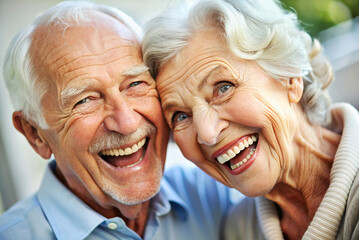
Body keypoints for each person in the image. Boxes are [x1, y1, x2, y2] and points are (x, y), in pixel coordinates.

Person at [0, 1, 238, 239]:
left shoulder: (219, 195)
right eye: (85, 100)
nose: (127, 123)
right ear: (35, 134)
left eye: (135, 84)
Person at [142, 0, 359, 239]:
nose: (206, 133)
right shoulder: (239, 228)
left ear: (289, 76)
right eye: (181, 116)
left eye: (223, 88)